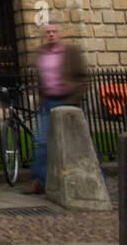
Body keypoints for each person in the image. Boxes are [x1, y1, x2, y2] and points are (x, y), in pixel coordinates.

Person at [24, 24, 88, 195]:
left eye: (54, 32)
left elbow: (83, 77)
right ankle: (40, 181)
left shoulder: (70, 52)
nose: (51, 35)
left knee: (81, 142)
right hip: (48, 103)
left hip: (68, 102)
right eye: (48, 32)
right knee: (42, 141)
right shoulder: (41, 53)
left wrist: (73, 98)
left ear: (60, 34)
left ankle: (95, 178)